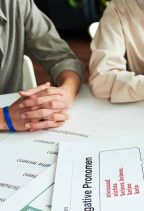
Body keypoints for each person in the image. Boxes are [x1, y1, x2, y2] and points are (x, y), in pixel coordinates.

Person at [0, 0, 84, 132]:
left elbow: (62, 58)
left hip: (17, 133)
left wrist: (65, 93)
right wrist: (4, 118)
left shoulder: (16, 3)